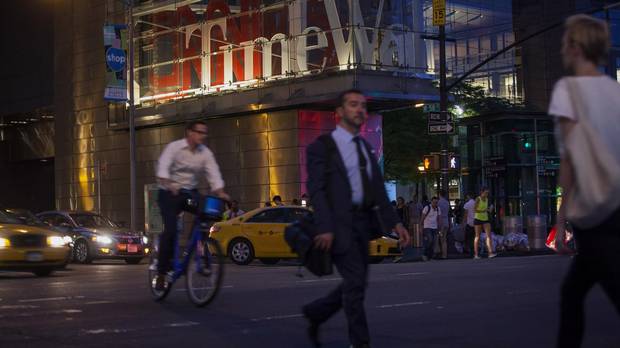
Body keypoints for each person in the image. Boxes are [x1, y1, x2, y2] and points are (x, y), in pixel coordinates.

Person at [302, 89, 410, 348]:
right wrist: (325, 227)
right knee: (355, 284)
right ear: (339, 112)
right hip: (339, 225)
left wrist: (396, 223)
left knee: (357, 283)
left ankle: (317, 312)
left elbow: (378, 190)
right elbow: (316, 190)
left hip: (363, 224)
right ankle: (360, 343)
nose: (360, 109)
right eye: (353, 104)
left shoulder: (364, 146)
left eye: (363, 105)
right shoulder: (321, 147)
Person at [548, 14, 620, 348]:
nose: (562, 47)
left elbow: (569, 159)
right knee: (572, 291)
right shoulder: (614, 91)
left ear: (576, 47)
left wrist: (561, 219)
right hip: (616, 205)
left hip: (593, 211)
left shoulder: (568, 90)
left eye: (566, 41)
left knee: (590, 290)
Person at [155, 120, 230, 290]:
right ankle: (161, 273)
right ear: (189, 132)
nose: (203, 136)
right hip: (168, 191)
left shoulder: (205, 153)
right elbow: (163, 167)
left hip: (189, 192)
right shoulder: (174, 148)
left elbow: (213, 173)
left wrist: (221, 192)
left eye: (205, 132)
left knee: (206, 214)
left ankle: (194, 249)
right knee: (171, 229)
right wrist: (169, 183)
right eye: (199, 132)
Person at [473, 187, 496, 259]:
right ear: (481, 192)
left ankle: (490, 253)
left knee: (489, 236)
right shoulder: (478, 199)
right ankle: (476, 254)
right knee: (477, 236)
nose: (486, 194)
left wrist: (490, 209)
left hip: (485, 219)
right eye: (485, 193)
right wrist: (484, 210)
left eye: (487, 193)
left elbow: (488, 209)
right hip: (478, 219)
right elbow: (474, 210)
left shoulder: (487, 199)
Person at [421, 196, 441, 261]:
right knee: (430, 240)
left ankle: (430, 256)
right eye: (434, 202)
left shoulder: (438, 208)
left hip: (435, 227)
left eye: (436, 202)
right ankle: (425, 254)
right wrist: (421, 227)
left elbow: (439, 218)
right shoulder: (427, 208)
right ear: (431, 202)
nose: (435, 204)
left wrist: (439, 227)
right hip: (427, 227)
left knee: (433, 242)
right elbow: (422, 218)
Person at [437, 190, 451, 259]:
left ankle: (442, 254)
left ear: (439, 194)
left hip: (441, 222)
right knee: (444, 239)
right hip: (446, 221)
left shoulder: (438, 202)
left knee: (441, 238)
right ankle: (444, 254)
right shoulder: (447, 202)